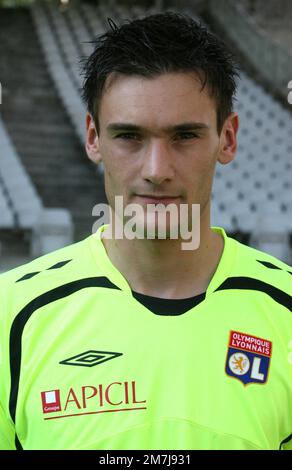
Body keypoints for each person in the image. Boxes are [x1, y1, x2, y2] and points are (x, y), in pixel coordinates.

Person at [0, 12, 291, 451]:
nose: (157, 171)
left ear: (227, 139)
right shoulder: (10, 315)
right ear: (93, 137)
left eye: (185, 136)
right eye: (129, 136)